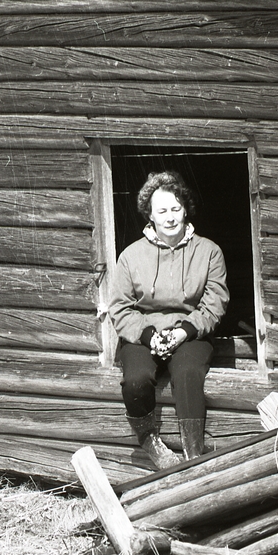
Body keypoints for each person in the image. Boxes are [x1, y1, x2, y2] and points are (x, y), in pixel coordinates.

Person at [107, 171, 229, 469]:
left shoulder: (209, 251)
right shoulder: (131, 256)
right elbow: (120, 307)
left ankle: (193, 455)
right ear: (150, 214)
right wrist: (148, 336)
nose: (170, 217)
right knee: (135, 381)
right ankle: (150, 443)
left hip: (190, 333)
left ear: (185, 209)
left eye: (175, 209)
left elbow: (215, 301)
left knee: (188, 373)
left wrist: (185, 331)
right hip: (143, 334)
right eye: (162, 211)